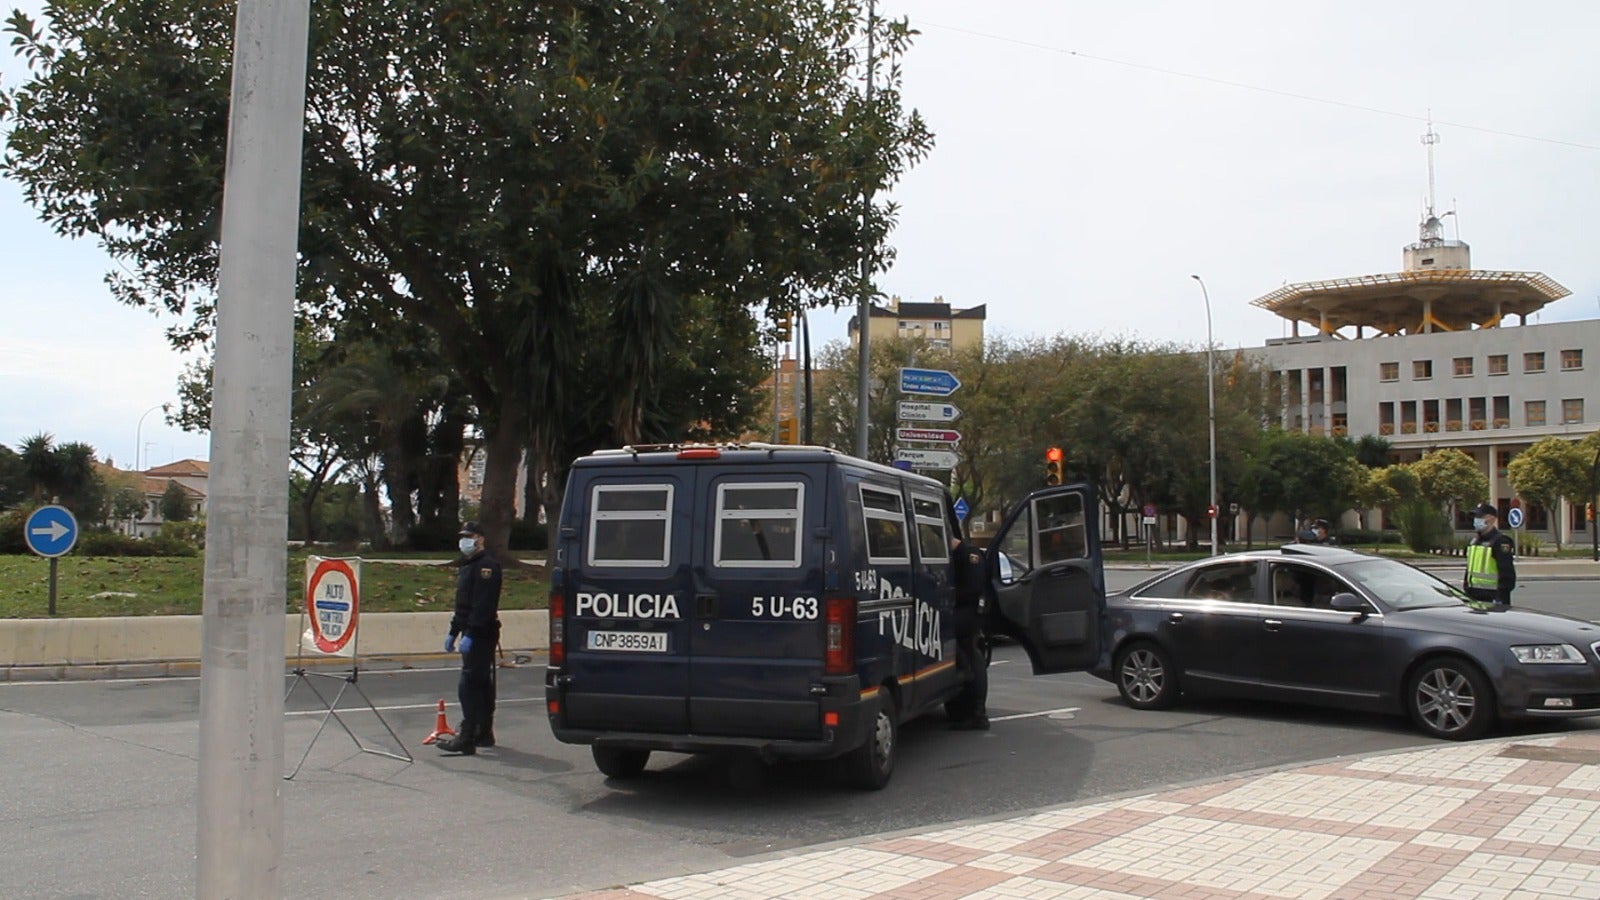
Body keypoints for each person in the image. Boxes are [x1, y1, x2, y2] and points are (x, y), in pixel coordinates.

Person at [437, 521, 502, 754]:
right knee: (481, 683)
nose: (465, 540)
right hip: (471, 631)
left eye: (470, 536)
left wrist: (471, 634)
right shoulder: (468, 566)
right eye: (463, 536)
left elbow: (483, 606)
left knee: (470, 684)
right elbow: (463, 605)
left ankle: (468, 734)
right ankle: (482, 732)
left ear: (481, 539)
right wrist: (454, 631)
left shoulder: (487, 567)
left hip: (482, 633)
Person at [948, 535, 990, 731]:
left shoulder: (970, 554)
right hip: (969, 612)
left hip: (970, 612)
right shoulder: (963, 554)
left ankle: (978, 714)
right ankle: (973, 712)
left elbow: (972, 589)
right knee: (971, 655)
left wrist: (946, 595)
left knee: (946, 635)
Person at [1463, 502, 1516, 606]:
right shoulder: (1474, 541)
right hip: (1474, 597)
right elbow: (1469, 570)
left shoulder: (1500, 541)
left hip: (1493, 597)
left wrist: (1500, 598)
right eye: (1475, 517)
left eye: (1480, 517)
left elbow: (1507, 574)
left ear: (1491, 519)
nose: (1476, 520)